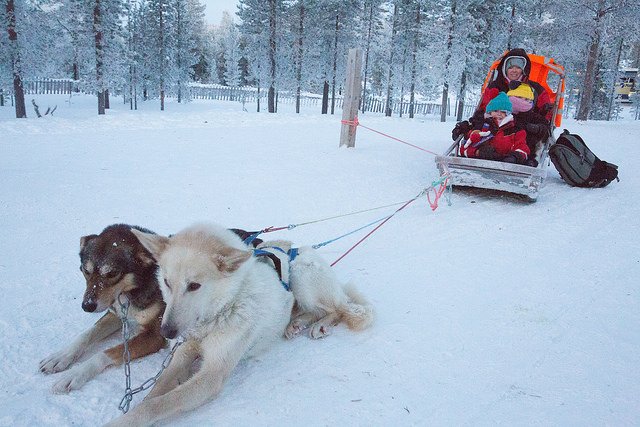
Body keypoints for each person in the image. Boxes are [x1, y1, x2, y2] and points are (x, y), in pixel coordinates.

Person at [452, 48, 553, 150]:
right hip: (495, 128)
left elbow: (546, 115)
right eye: (510, 67)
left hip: (524, 131)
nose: (514, 70)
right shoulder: (495, 86)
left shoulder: (535, 89)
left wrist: (538, 128)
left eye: (518, 67)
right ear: (504, 68)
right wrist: (468, 126)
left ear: (524, 69)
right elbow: (483, 111)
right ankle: (478, 151)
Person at [457, 92, 529, 165]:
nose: (499, 114)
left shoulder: (516, 130)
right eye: (496, 111)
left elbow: (522, 148)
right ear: (490, 112)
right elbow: (464, 149)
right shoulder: (481, 126)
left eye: (503, 112)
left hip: (505, 167)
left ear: (508, 113)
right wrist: (477, 152)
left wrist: (515, 157)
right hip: (480, 165)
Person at [505, 82, 549, 166]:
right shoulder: (503, 112)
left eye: (526, 99)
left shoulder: (533, 116)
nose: (522, 102)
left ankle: (527, 160)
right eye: (519, 98)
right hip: (505, 143)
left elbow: (545, 127)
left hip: (526, 146)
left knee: (527, 146)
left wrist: (537, 128)